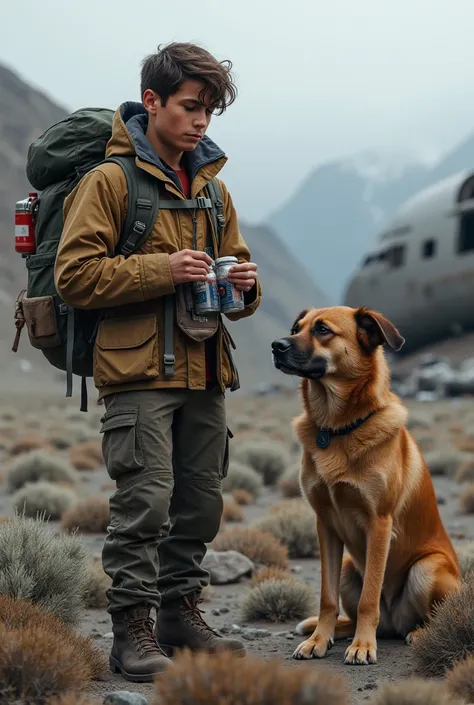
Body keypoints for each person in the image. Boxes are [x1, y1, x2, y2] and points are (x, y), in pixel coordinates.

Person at [54, 42, 261, 683]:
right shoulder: (110, 183)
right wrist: (162, 269)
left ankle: (179, 612)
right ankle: (131, 631)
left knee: (200, 504)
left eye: (210, 112)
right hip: (138, 372)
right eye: (190, 107)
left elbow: (236, 277)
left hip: (204, 369)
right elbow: (74, 276)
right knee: (145, 503)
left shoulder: (214, 190)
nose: (201, 122)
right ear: (152, 102)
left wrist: (245, 288)